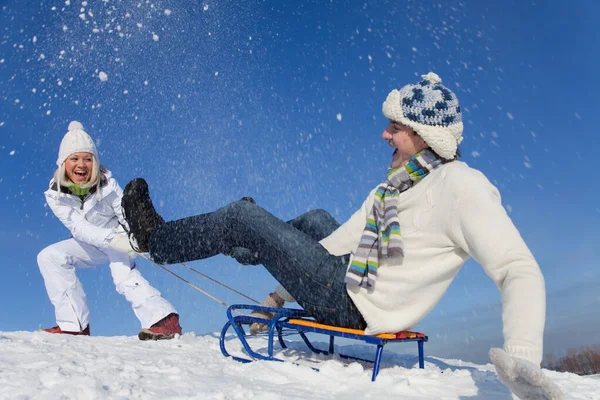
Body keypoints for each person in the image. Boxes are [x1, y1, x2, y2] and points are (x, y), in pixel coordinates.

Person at [121, 73, 563, 398]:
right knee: (313, 218)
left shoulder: (461, 187)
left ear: (425, 136)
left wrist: (523, 358)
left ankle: (156, 239)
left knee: (241, 214)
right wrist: (274, 294)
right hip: (349, 281)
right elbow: (332, 245)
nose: (385, 134)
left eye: (396, 127)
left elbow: (517, 268)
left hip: (357, 304)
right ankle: (238, 235)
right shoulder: (393, 189)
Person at [37, 121, 182, 340]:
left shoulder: (108, 185)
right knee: (49, 256)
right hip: (91, 243)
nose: (81, 165)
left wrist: (135, 238)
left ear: (94, 162)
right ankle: (74, 325)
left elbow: (125, 212)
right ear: (63, 163)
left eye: (87, 158)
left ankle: (164, 320)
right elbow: (77, 226)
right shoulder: (55, 194)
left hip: (119, 237)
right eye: (74, 159)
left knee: (122, 275)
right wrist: (112, 239)